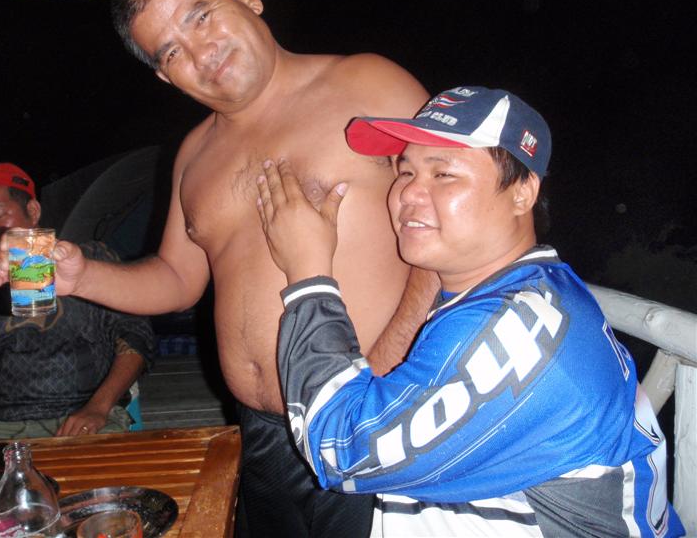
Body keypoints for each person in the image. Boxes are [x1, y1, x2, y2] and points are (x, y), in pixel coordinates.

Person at [0, 0, 438, 536]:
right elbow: (177, 280)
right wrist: (80, 275)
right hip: (260, 432)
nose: (201, 53)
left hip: (372, 409)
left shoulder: (369, 84)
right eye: (172, 51)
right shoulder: (193, 155)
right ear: (162, 74)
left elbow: (451, 228)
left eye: (201, 15)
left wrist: (393, 362)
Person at [256, 87, 685, 537]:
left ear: (522, 193)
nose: (408, 193)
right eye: (405, 171)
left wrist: (307, 272)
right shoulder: (523, 291)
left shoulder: (518, 330)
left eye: (443, 174)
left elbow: (340, 449)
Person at [0, 162, 155, 440]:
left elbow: (136, 337)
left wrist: (98, 408)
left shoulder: (92, 261)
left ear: (33, 211)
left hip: (86, 415)